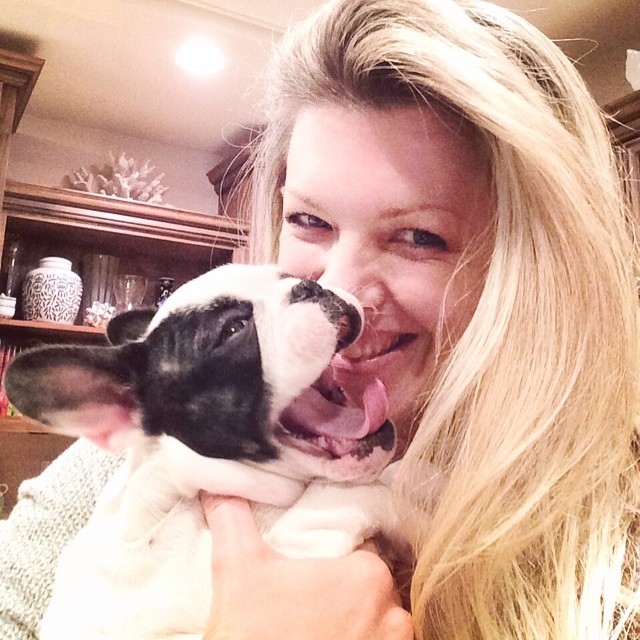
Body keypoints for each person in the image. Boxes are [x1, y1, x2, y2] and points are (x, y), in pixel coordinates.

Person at [1, 0, 638, 638]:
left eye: (418, 236)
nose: (337, 290)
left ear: (534, 269)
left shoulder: (612, 535)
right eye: (309, 220)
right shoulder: (158, 443)